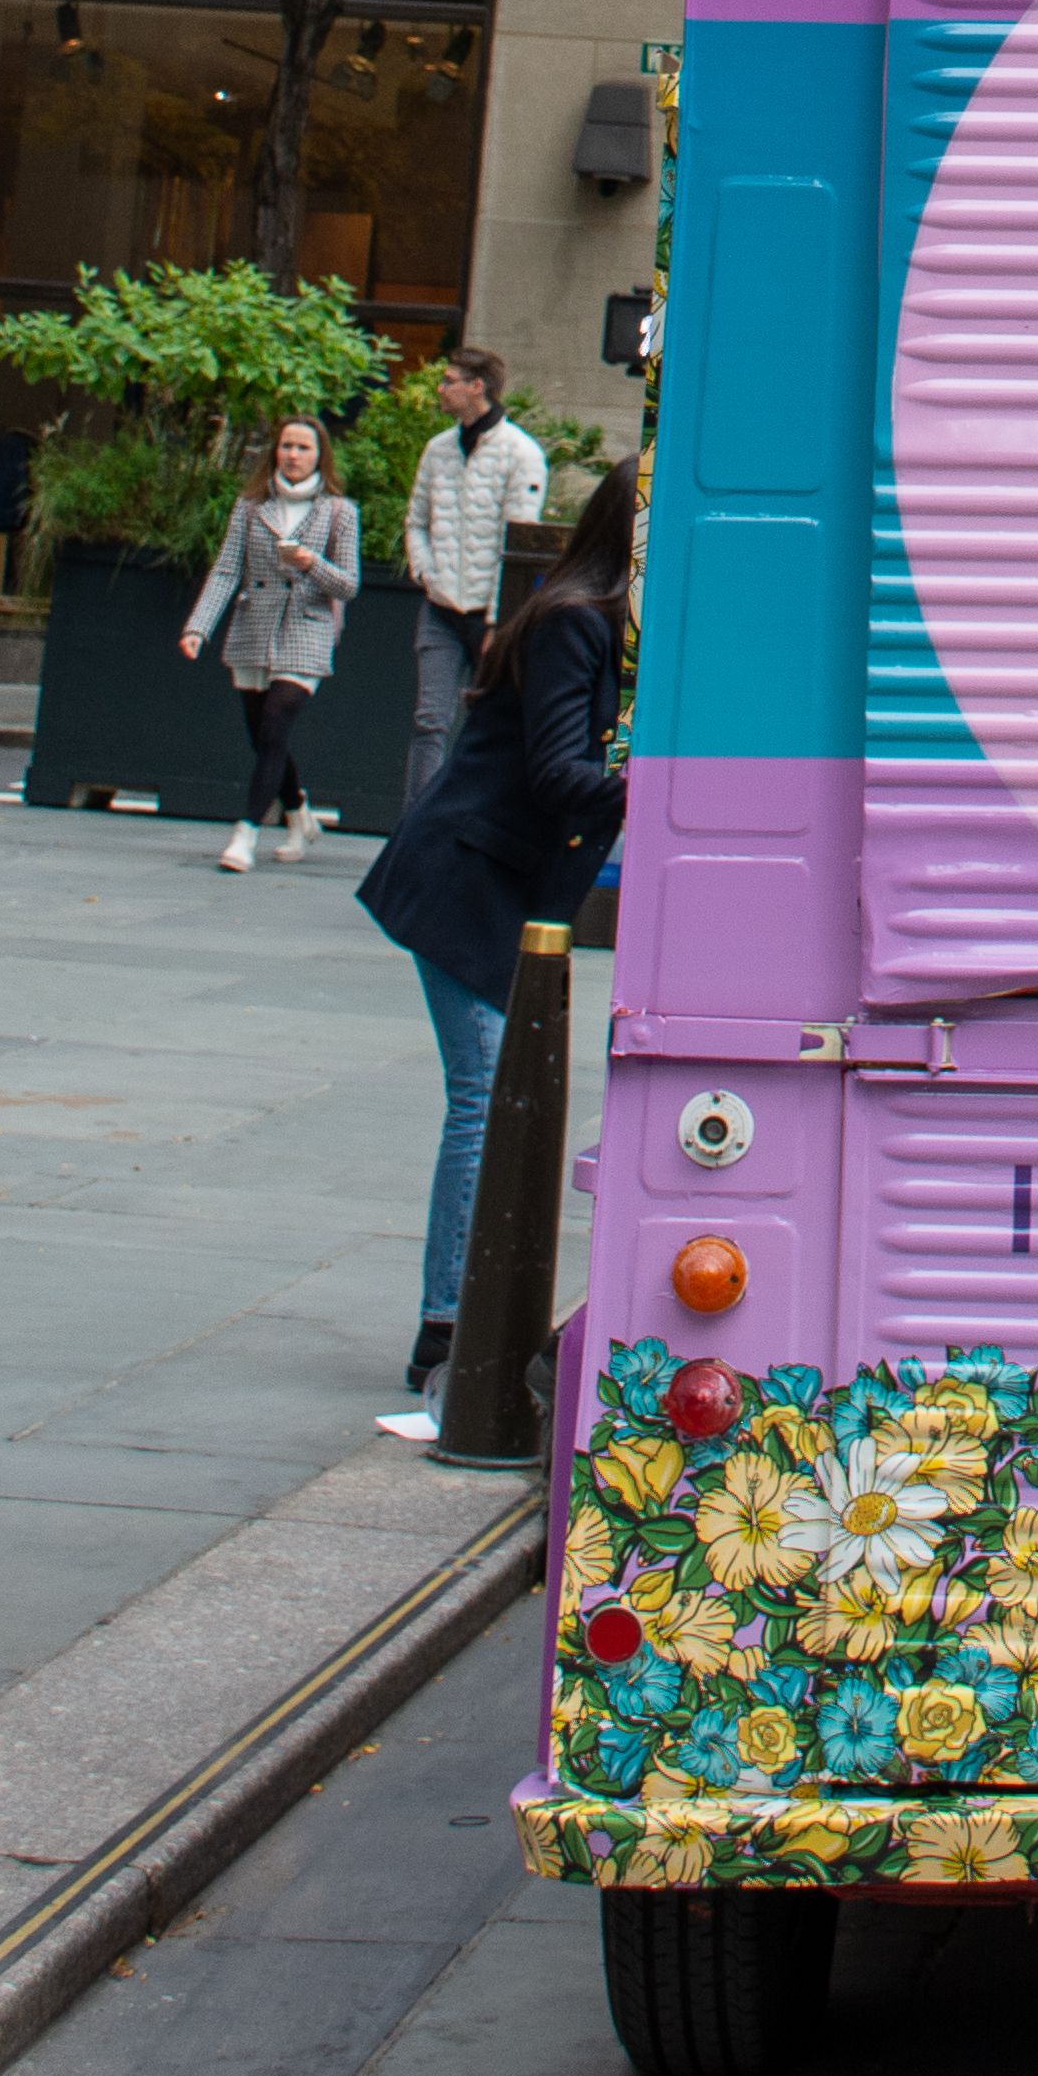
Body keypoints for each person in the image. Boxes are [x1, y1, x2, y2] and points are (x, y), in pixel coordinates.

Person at [361, 458, 637, 1396]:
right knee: (482, 1098)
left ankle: (455, 1321)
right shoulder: (572, 622)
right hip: (466, 878)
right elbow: (559, 773)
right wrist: (663, 783)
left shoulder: (602, 627)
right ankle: (447, 1328)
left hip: (499, 885)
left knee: (487, 1096)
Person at [179, 418, 361, 874]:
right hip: (254, 626)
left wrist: (311, 562)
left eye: (303, 447)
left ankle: (246, 832)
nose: (293, 455)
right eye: (286, 446)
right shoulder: (250, 507)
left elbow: (348, 585)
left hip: (306, 627)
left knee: (277, 720)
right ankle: (298, 812)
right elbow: (226, 570)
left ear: (320, 456)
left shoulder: (339, 512)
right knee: (261, 734)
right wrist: (198, 627)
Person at [404, 347, 551, 807]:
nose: (440, 389)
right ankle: (417, 823)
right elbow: (416, 521)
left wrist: (496, 622)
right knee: (429, 721)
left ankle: (470, 820)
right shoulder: (437, 450)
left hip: (491, 617)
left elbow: (518, 544)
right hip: (440, 607)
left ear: (476, 387)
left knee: (487, 724)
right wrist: (426, 572)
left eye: (448, 380)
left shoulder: (522, 453)